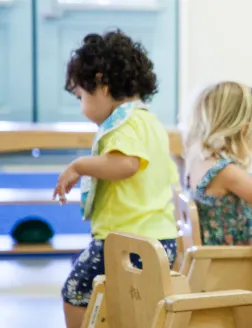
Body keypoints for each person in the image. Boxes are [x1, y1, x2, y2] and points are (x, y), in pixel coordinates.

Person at [53, 30, 179, 328]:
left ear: (101, 85)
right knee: (129, 306)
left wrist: (80, 165)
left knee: (73, 291)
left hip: (127, 241)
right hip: (159, 240)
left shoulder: (126, 124)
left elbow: (126, 164)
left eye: (80, 96)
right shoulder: (148, 120)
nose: (81, 106)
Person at [183, 81, 252, 246]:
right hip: (234, 260)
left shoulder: (200, 162)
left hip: (214, 257)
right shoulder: (225, 171)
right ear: (244, 130)